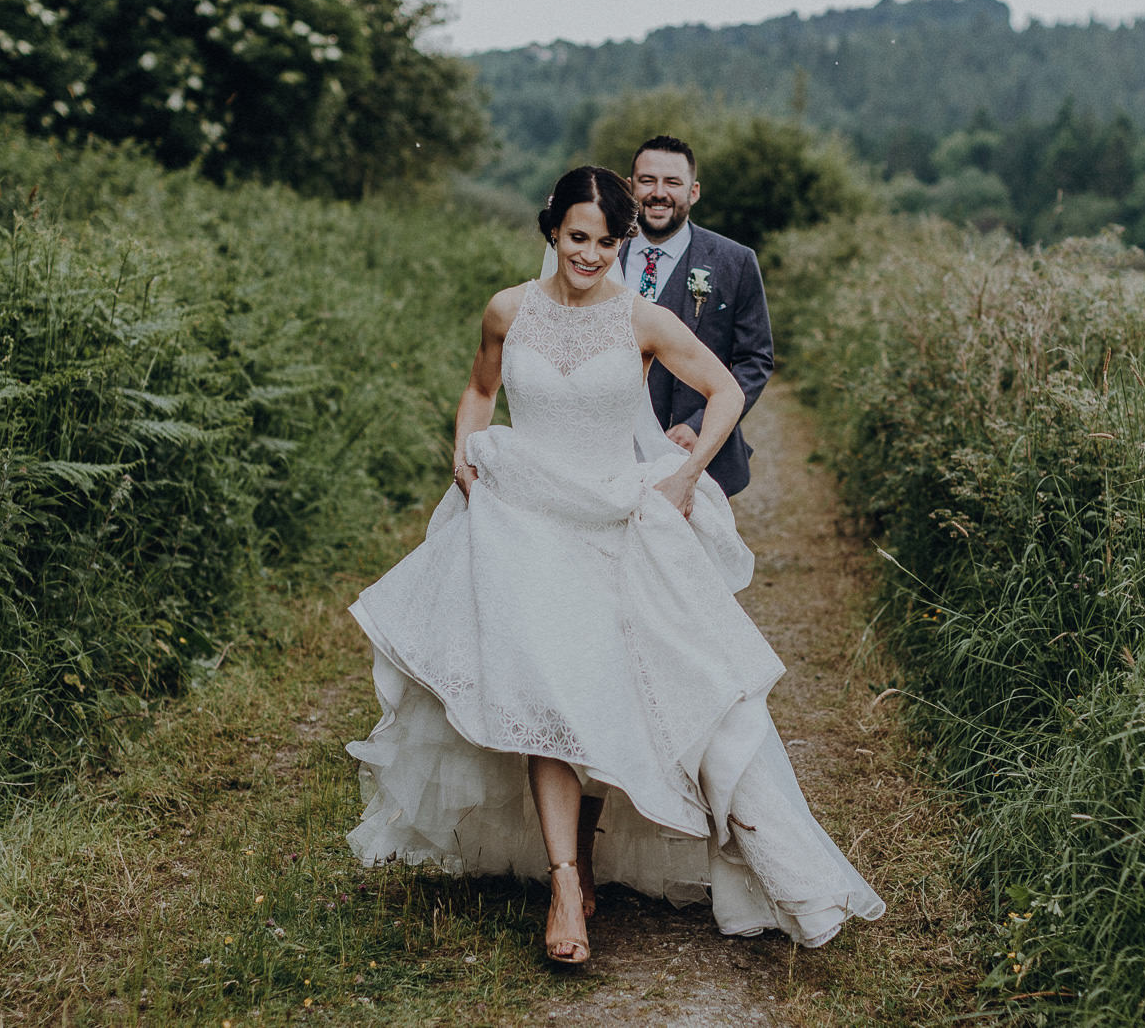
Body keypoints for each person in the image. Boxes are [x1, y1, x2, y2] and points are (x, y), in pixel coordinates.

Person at [345, 166, 882, 966]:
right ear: (551, 231)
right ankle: (565, 883)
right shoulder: (507, 309)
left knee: (606, 690)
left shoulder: (643, 319)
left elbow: (725, 389)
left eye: (603, 241)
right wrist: (464, 452)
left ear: (621, 241)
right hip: (523, 522)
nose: (588, 255)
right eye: (576, 237)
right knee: (546, 692)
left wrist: (688, 472)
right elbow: (479, 388)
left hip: (609, 519)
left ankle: (589, 860)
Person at [618, 135, 774, 497]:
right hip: (611, 456)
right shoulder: (598, 255)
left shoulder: (735, 261)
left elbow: (755, 360)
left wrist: (699, 426)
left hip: (699, 459)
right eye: (647, 180)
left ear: (694, 191)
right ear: (629, 188)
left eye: (672, 182)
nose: (659, 193)